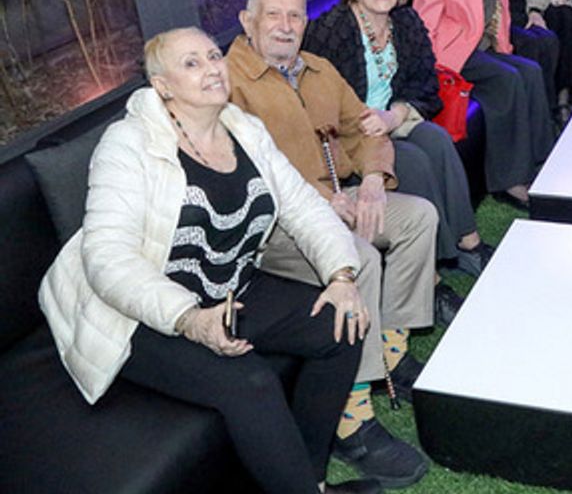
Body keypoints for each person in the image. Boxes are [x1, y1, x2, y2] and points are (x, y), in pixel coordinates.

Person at [39, 27, 379, 494]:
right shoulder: (127, 145)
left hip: (230, 288)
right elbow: (106, 258)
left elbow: (302, 204)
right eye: (191, 63)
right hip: (143, 314)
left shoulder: (244, 128)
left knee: (340, 325)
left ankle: (307, 478)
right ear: (162, 85)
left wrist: (340, 275)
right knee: (253, 383)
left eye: (214, 55)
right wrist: (189, 318)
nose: (212, 68)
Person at [226, 0, 438, 490]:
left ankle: (392, 349)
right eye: (272, 15)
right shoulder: (229, 83)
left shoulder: (318, 70)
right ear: (246, 21)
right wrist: (325, 205)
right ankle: (352, 414)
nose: (285, 26)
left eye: (295, 16)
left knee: (419, 218)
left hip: (342, 198)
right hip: (279, 225)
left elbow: (367, 128)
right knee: (359, 255)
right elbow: (249, 173)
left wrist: (369, 180)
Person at [302, 0, 491, 276]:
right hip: (353, 133)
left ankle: (468, 241)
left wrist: (394, 115)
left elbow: (426, 83)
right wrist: (370, 127)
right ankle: (432, 269)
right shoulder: (332, 30)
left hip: (391, 118)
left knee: (435, 139)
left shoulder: (405, 21)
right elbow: (319, 102)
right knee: (415, 160)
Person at [412, 0, 554, 209]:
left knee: (530, 71)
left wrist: (503, 45)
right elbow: (425, 26)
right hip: (454, 53)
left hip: (486, 46)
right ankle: (509, 180)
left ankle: (543, 161)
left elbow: (500, 8)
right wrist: (435, 66)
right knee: (509, 79)